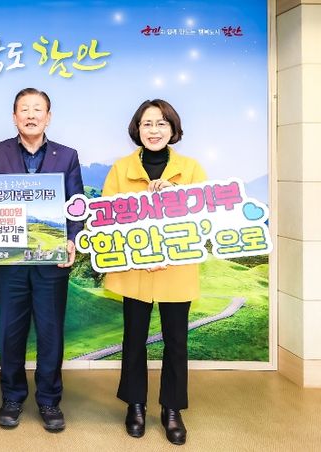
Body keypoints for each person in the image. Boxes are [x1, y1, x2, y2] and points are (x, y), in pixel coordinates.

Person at [102, 99, 207, 446]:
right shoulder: (121, 169)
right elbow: (107, 221)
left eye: (162, 123)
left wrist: (178, 196)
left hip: (176, 269)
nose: (154, 130)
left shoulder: (191, 169)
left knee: (176, 341)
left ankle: (172, 409)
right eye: (147, 123)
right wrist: (136, 256)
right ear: (137, 129)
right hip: (136, 269)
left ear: (173, 129)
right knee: (134, 340)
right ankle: (135, 405)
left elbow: (205, 218)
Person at [0, 88, 84, 432]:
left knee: (50, 331)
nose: (30, 115)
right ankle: (12, 397)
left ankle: (49, 400)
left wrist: (72, 238)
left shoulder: (67, 156)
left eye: (37, 109)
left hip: (51, 262)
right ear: (14, 117)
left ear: (48, 117)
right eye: (24, 109)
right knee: (10, 332)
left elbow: (76, 204)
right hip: (9, 263)